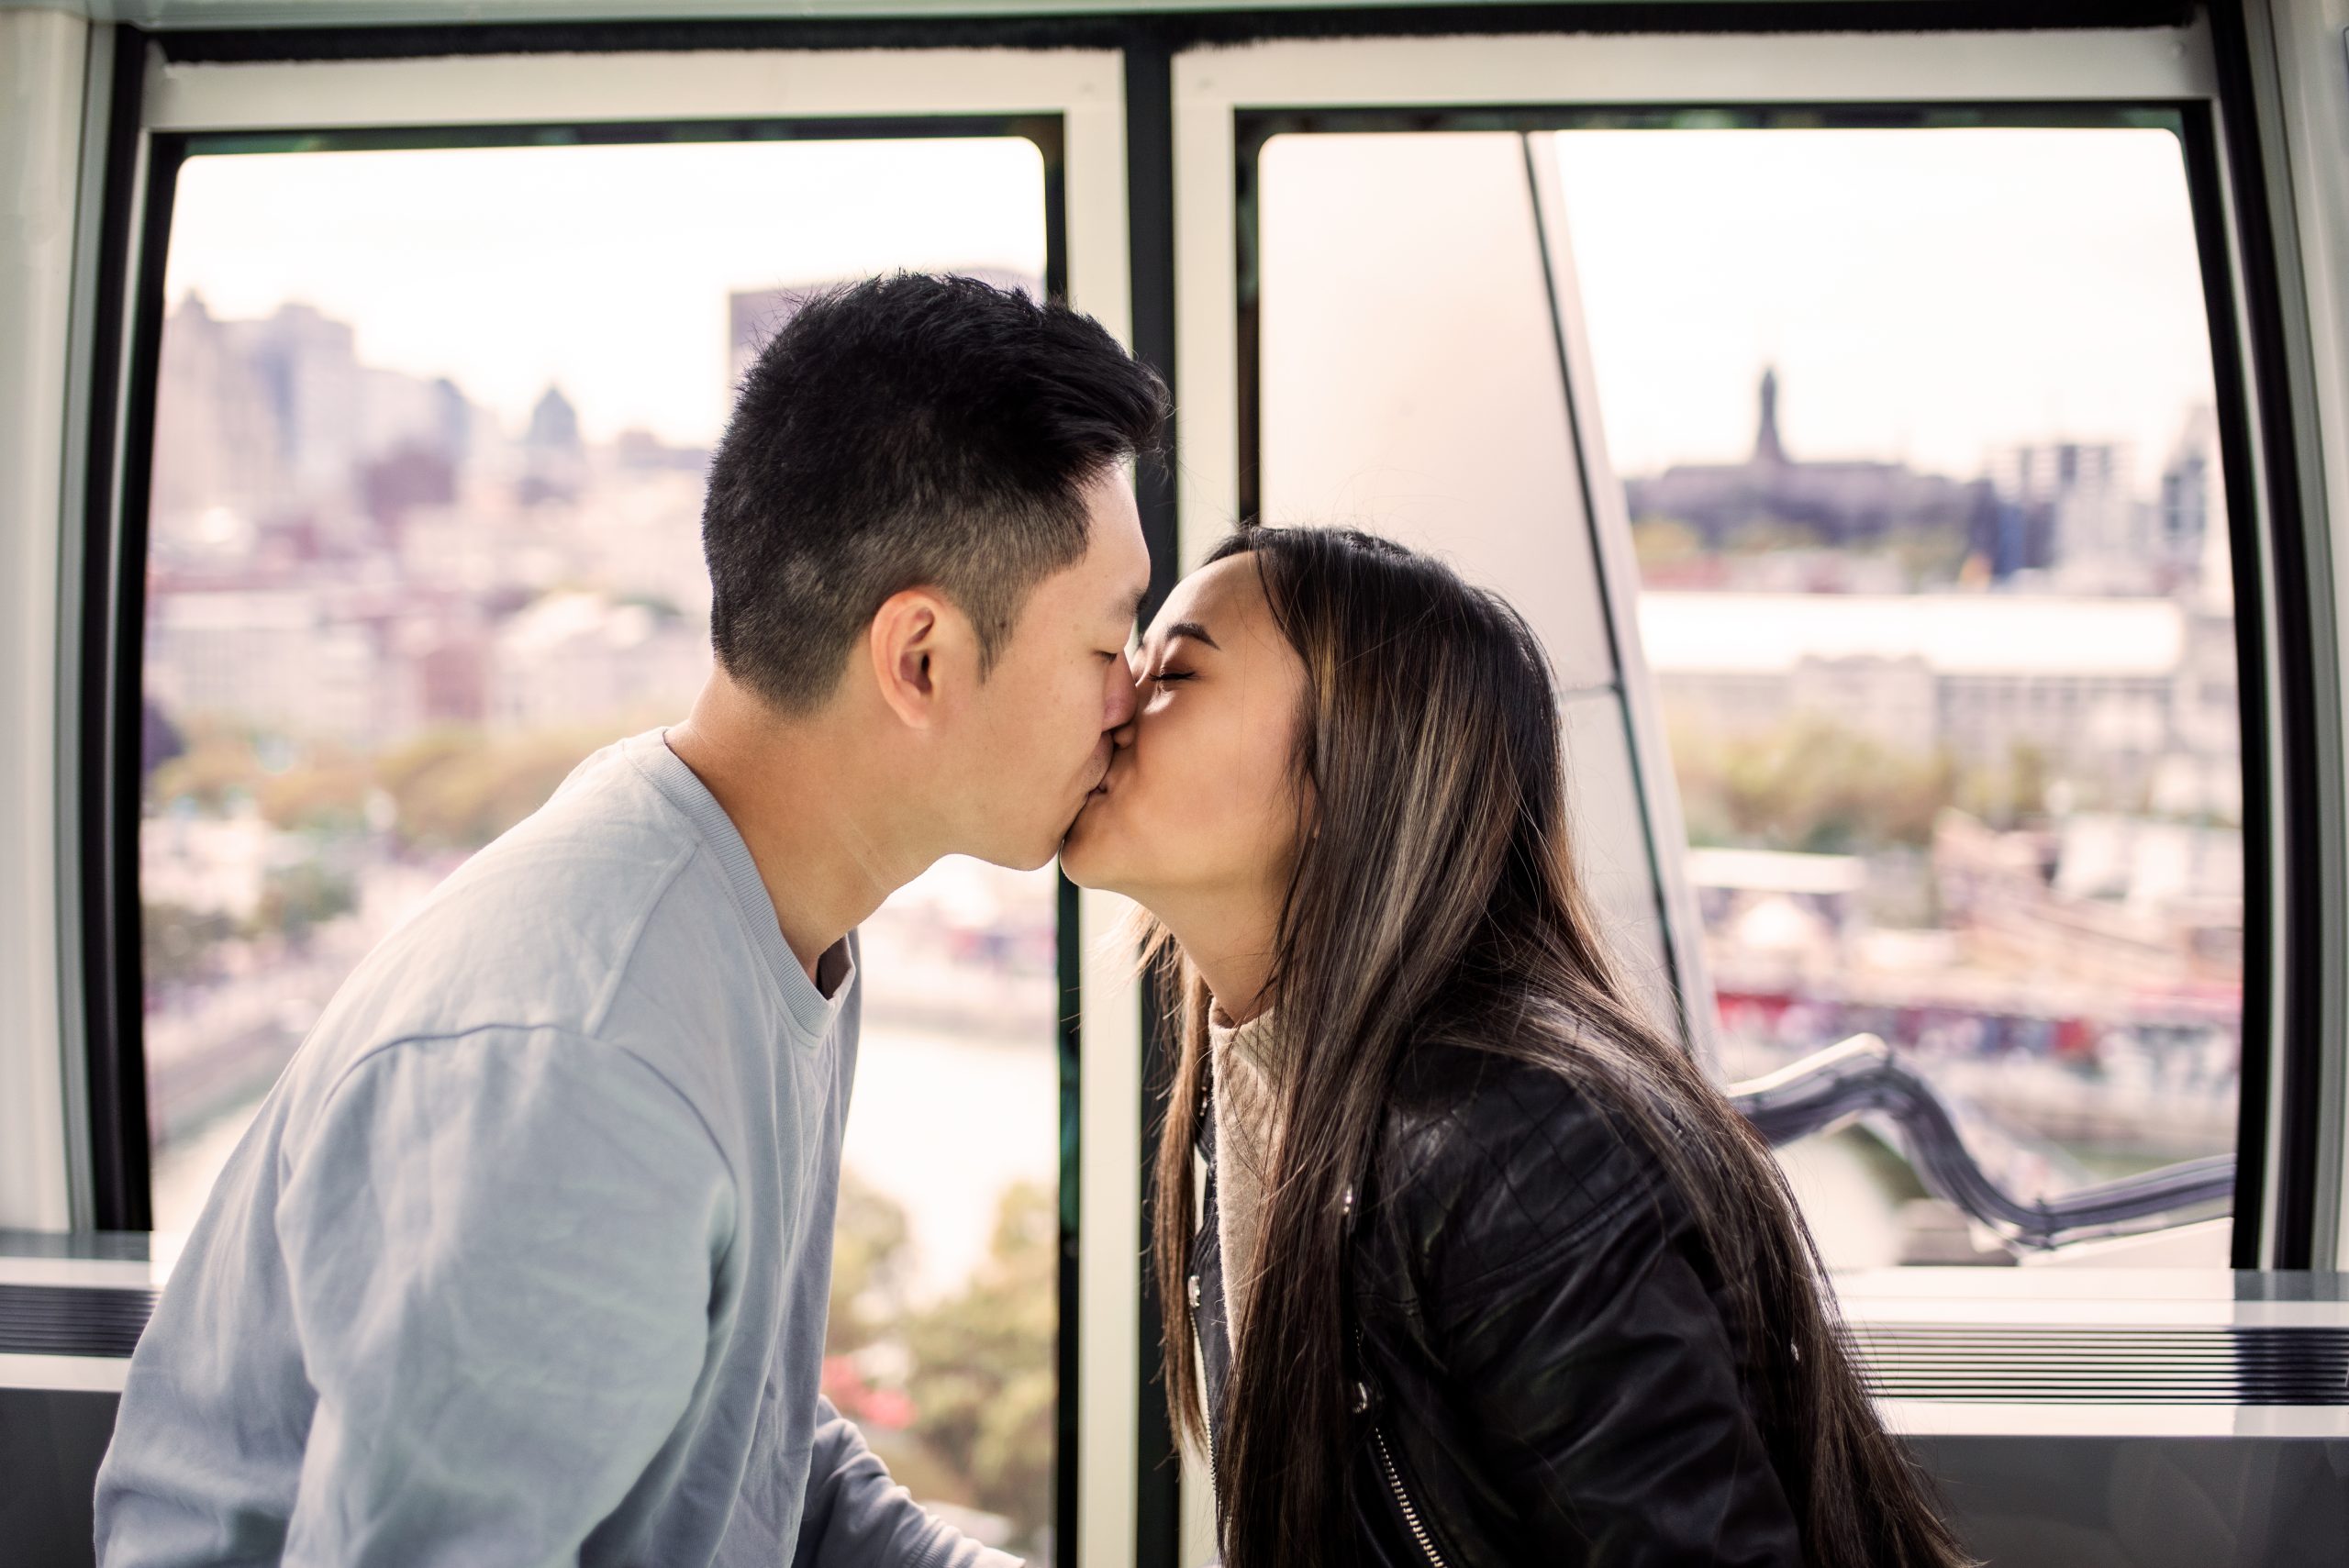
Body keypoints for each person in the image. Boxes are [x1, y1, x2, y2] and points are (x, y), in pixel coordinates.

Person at [95, 272, 1166, 1568]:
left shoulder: (767, 904)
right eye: (1109, 644)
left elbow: (740, 1449)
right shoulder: (589, 1064)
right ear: (920, 659)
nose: (1134, 697)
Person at [1061, 524, 1971, 1568]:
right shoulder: (1267, 1097)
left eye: (1174, 672)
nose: (1114, 700)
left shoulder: (1514, 1144)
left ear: (1350, 775)